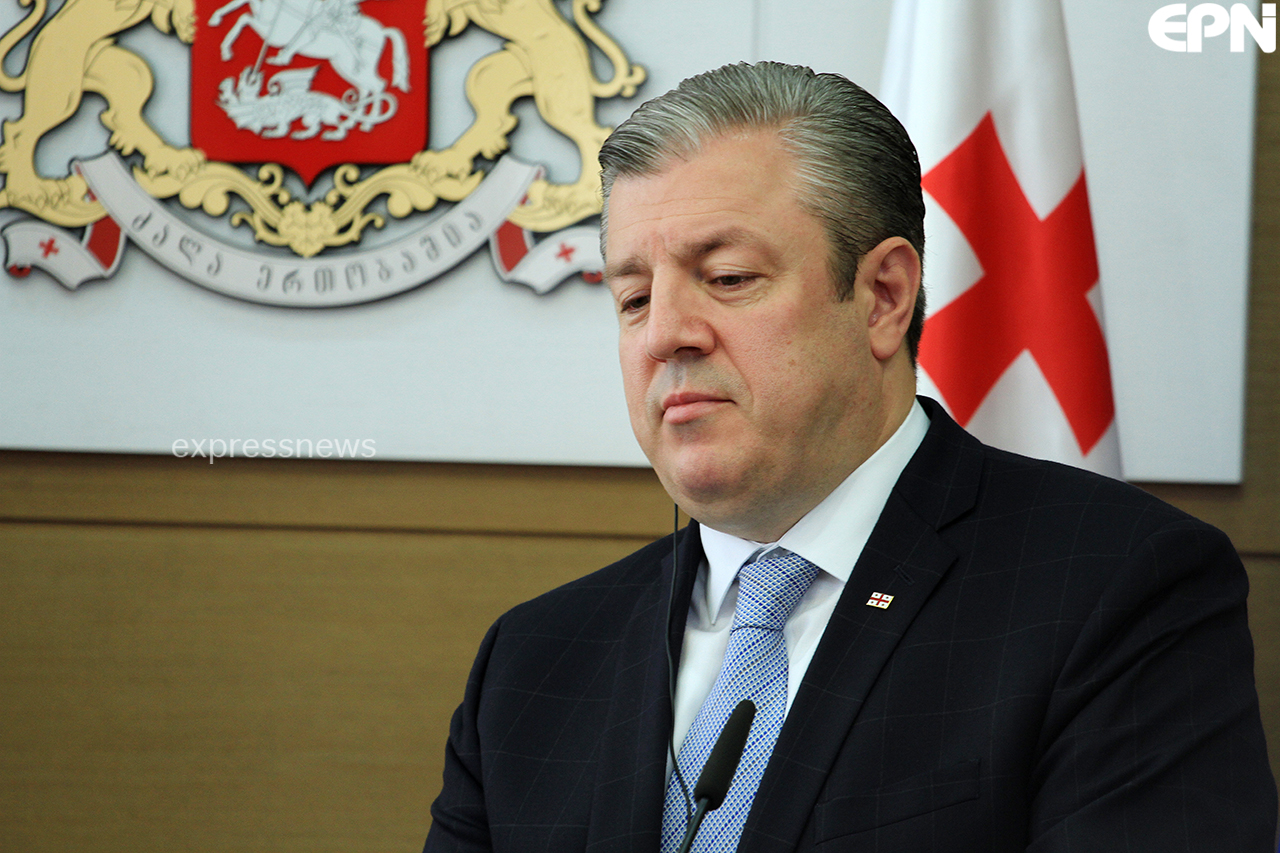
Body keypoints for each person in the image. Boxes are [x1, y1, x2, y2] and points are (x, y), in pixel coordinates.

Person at [424, 61, 1276, 852]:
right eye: (635, 296)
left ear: (882, 297)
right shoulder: (533, 660)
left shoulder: (1114, 589)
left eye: (727, 277)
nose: (664, 335)